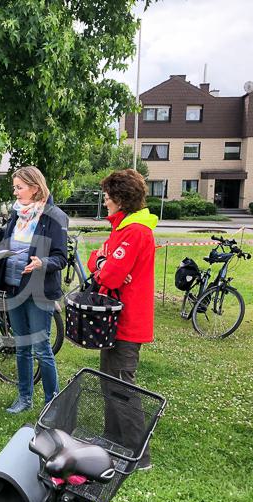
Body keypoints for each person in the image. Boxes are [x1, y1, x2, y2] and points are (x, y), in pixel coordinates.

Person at [87, 169, 158, 470]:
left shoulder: (135, 232)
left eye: (107, 198)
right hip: (114, 318)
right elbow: (97, 260)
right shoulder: (125, 227)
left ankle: (137, 454)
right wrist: (103, 262)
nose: (104, 203)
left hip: (127, 320)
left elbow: (110, 273)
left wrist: (105, 264)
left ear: (119, 199)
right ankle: (113, 439)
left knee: (123, 385)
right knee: (109, 380)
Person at [0, 166, 68, 413]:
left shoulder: (54, 216)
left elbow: (61, 257)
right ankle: (24, 399)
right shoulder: (17, 214)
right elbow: (8, 242)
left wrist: (41, 263)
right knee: (21, 346)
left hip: (38, 291)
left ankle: (51, 403)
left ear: (35, 188)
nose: (15, 192)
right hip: (14, 287)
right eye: (14, 187)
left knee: (41, 347)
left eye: (19, 187)